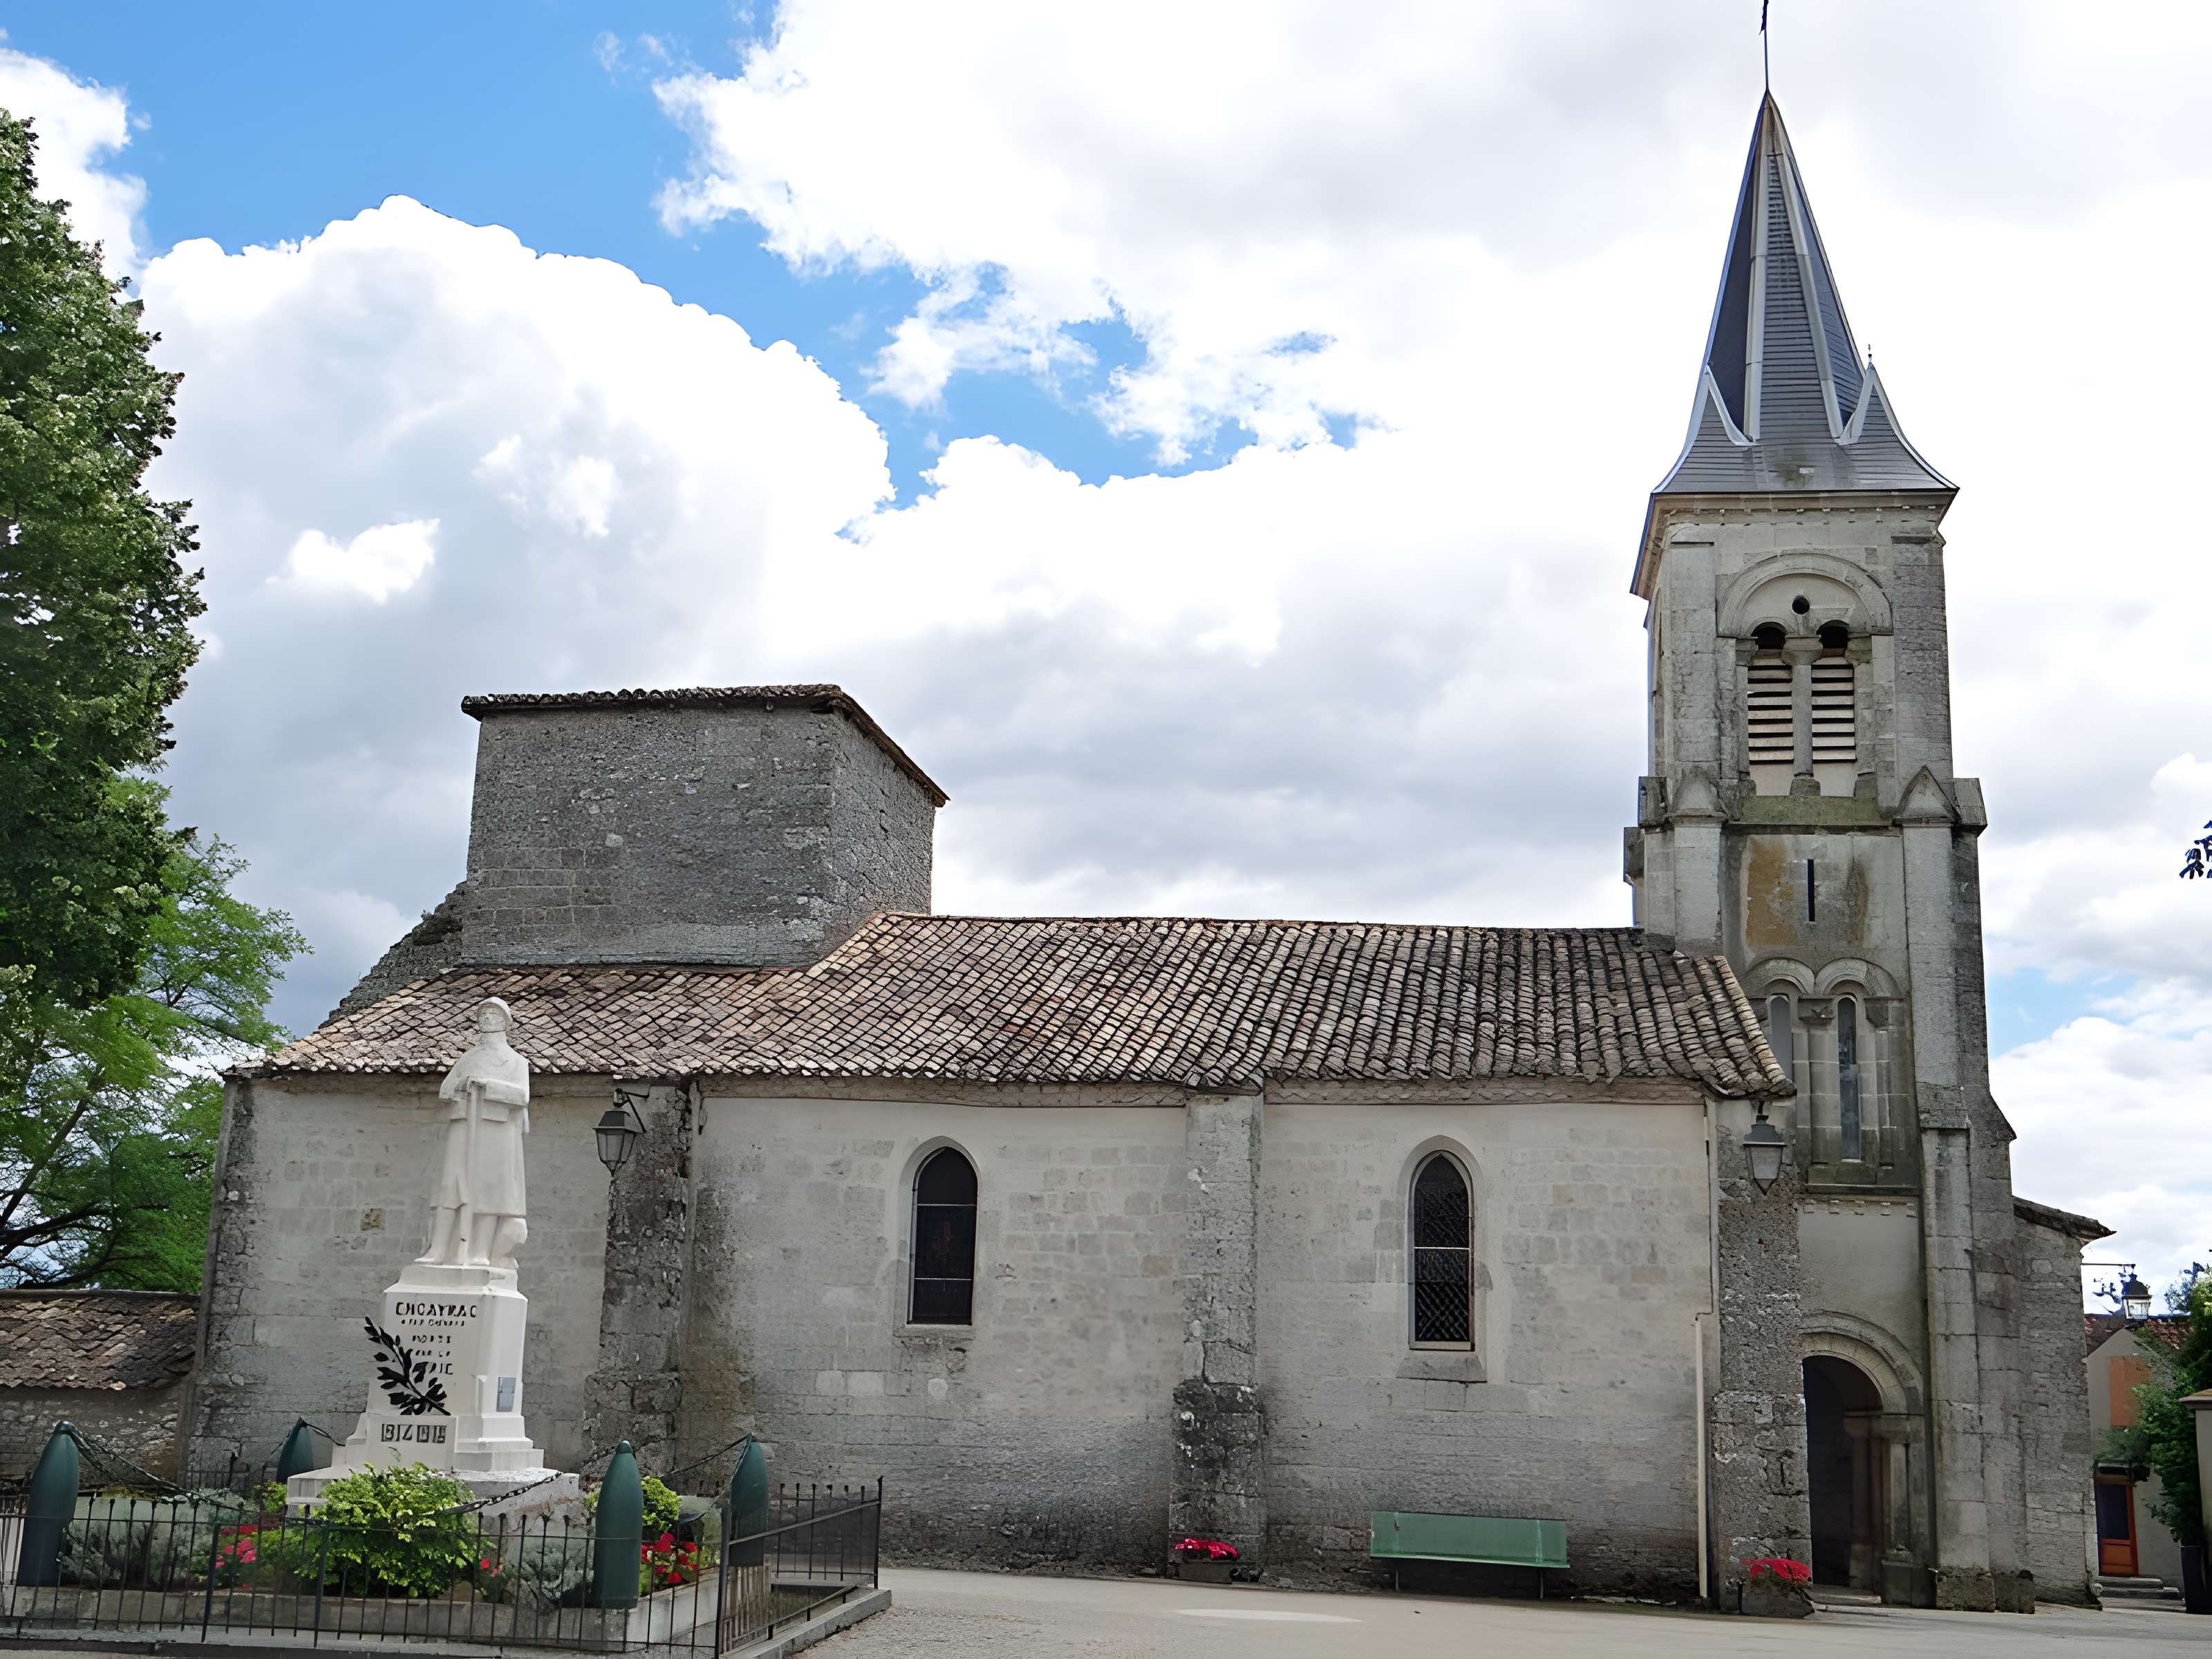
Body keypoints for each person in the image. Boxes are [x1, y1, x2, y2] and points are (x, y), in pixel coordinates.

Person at [418, 997, 530, 1268]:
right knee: (450, 1186)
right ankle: (438, 1249)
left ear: (506, 1023)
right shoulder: (467, 1058)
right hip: (464, 1125)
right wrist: (462, 1086)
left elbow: (522, 1096)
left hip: (497, 1129)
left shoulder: (516, 1062)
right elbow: (446, 1089)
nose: (488, 1019)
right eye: (484, 1015)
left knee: (490, 1189)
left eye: (494, 1015)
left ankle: (479, 1251)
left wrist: (487, 1086)